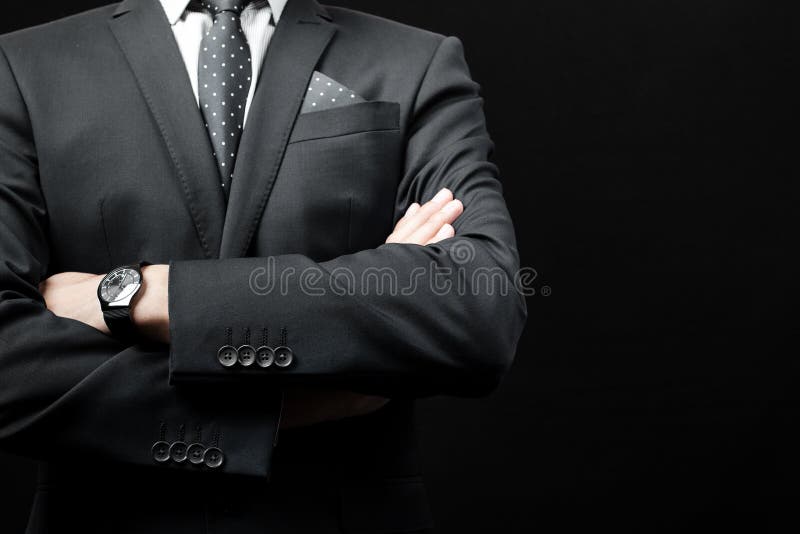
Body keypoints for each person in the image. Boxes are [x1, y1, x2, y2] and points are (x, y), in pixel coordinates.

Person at [0, 0, 526, 531]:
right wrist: (288, 408)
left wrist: (142, 294)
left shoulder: (417, 61)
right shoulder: (21, 67)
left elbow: (480, 307)